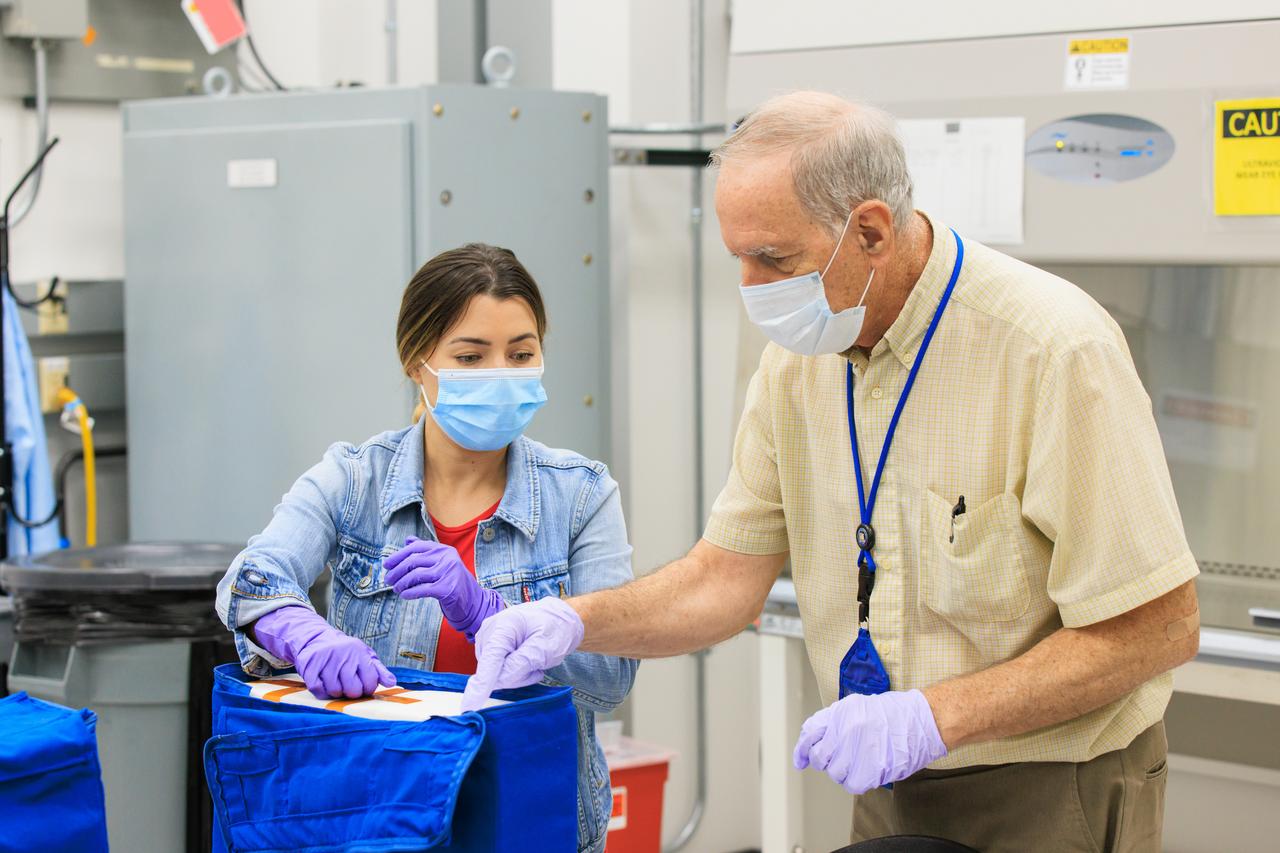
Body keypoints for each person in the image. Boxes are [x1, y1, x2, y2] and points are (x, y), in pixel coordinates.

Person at [459, 92, 1201, 852]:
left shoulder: (1051, 350)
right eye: (738, 257)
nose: (751, 288)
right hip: (888, 784)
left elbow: (1157, 628)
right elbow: (724, 577)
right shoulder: (797, 362)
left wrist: (929, 716)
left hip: (1052, 787)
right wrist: (575, 620)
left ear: (871, 231)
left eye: (773, 259)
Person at [214, 243, 637, 853]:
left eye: (522, 354)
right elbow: (253, 578)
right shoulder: (354, 479)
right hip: (378, 812)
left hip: (525, 814)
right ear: (418, 363)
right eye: (471, 356)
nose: (501, 373)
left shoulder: (582, 496)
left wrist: (494, 617)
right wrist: (303, 634)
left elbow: (609, 677)